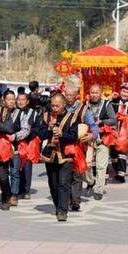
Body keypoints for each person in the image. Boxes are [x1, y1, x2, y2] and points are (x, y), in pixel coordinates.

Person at [37, 93, 80, 222]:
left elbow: (74, 136)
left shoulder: (72, 118)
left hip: (65, 155)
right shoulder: (46, 116)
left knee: (64, 183)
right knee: (53, 183)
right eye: (52, 105)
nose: (54, 108)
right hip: (50, 154)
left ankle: (63, 210)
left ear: (64, 104)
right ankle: (57, 206)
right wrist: (49, 130)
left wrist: (62, 134)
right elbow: (40, 134)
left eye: (57, 106)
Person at [65, 85, 98, 210]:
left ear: (76, 95)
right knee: (65, 173)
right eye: (66, 95)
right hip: (64, 145)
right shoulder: (61, 107)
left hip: (79, 146)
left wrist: (91, 135)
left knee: (77, 174)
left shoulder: (83, 110)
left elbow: (93, 126)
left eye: (71, 95)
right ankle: (66, 198)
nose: (68, 97)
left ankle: (75, 201)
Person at [85, 84, 117, 200]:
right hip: (87, 139)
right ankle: (91, 181)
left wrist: (102, 121)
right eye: (92, 92)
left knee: (101, 166)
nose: (94, 95)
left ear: (101, 93)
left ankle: (99, 189)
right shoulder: (85, 105)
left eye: (96, 92)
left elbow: (113, 120)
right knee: (86, 164)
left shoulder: (107, 104)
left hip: (102, 138)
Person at [4, 90, 31, 206]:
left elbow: (26, 130)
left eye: (12, 99)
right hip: (1, 147)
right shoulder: (0, 113)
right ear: (4, 100)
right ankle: (6, 193)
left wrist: (15, 136)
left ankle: (14, 195)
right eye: (8, 99)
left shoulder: (20, 114)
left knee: (14, 171)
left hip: (15, 146)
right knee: (3, 173)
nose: (11, 101)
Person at [110, 84, 128, 183]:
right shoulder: (113, 102)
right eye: (123, 91)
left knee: (122, 151)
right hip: (113, 130)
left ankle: (121, 174)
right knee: (113, 153)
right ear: (120, 91)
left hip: (125, 131)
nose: (125, 94)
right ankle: (116, 171)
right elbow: (105, 109)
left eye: (127, 92)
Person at [16, 92, 40, 199]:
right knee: (16, 168)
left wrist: (29, 134)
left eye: (23, 100)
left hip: (28, 144)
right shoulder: (14, 112)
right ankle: (17, 189)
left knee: (27, 167)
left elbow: (37, 128)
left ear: (27, 101)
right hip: (16, 143)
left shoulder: (33, 113)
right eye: (19, 99)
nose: (20, 102)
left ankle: (26, 190)